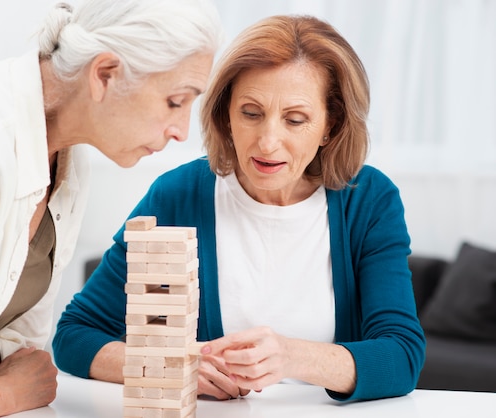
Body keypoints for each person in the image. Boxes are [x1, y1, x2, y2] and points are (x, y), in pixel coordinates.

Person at [0, 0, 223, 416]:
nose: (180, 132)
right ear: (104, 75)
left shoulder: (67, 160)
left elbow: (24, 354)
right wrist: (7, 393)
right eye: (175, 101)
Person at [52, 15, 426, 402]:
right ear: (226, 115)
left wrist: (291, 356)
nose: (267, 142)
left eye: (295, 120)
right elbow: (75, 336)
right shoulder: (178, 195)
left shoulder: (369, 199)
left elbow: (402, 356)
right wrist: (172, 367)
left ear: (330, 126)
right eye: (251, 113)